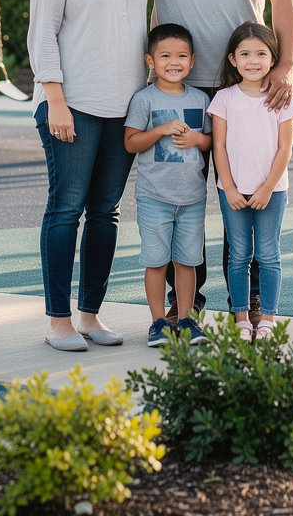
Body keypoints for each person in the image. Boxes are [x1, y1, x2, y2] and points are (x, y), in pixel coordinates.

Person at [138, 0, 293, 326]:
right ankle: (187, 309)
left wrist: (286, 69)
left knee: (242, 196)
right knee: (182, 200)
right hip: (176, 86)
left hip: (240, 87)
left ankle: (247, 306)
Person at [27, 0, 148, 352]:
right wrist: (55, 98)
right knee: (66, 209)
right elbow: (43, 31)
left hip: (124, 108)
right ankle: (58, 321)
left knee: (106, 213)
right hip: (71, 105)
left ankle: (90, 316)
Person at [208, 22, 293, 341]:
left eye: (261, 53)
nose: (253, 60)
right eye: (245, 53)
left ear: (273, 59)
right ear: (233, 59)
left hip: (271, 192)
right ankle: (242, 319)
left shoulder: (282, 99)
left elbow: (285, 148)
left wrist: (265, 188)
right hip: (231, 192)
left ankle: (268, 319)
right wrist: (230, 188)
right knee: (239, 255)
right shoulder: (223, 99)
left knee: (268, 254)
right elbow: (218, 147)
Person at [124, 23, 212, 347]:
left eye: (181, 56)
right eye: (165, 56)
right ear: (150, 61)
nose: (173, 62)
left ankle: (186, 319)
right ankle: (158, 322)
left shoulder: (201, 99)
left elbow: (209, 142)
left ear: (192, 61)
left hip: (192, 197)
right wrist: (160, 130)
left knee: (187, 261)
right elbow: (131, 143)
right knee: (157, 261)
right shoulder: (144, 100)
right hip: (154, 197)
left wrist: (197, 138)